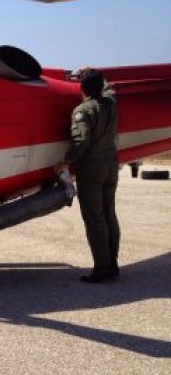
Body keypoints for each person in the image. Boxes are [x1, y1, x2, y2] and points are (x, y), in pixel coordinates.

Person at [62, 68, 120, 283]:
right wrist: (94, 75)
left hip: (91, 170)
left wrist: (66, 160)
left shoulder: (83, 110)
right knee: (109, 214)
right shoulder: (111, 103)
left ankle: (102, 267)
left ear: (82, 88)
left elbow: (81, 140)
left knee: (95, 218)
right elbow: (110, 90)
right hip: (111, 165)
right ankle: (112, 264)